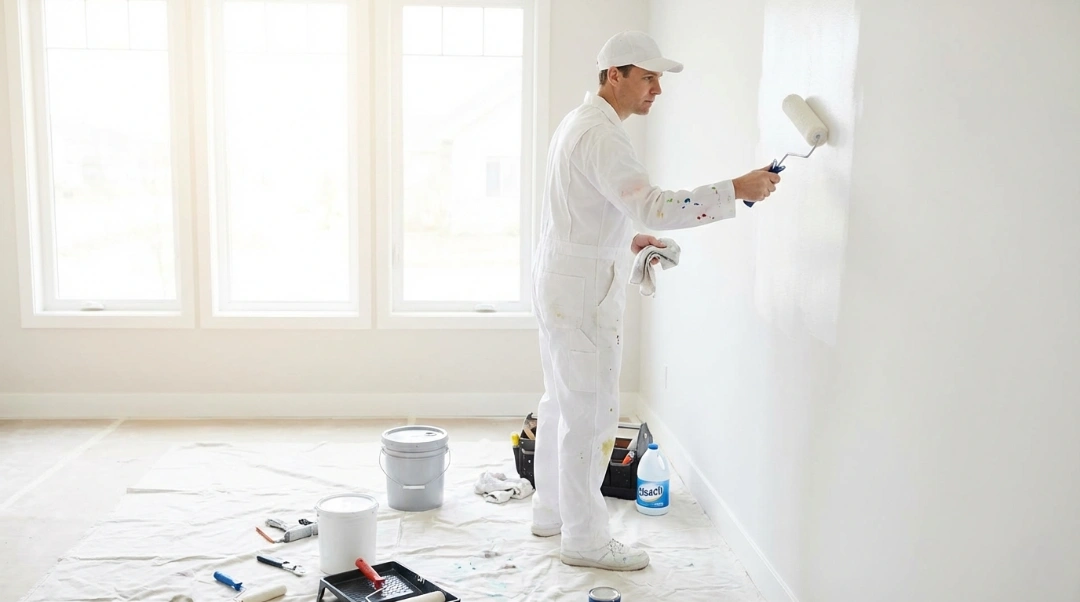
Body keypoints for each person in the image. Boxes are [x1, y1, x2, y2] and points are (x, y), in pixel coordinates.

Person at [529, 30, 781, 571]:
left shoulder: (581, 123)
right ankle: (585, 539)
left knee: (562, 402)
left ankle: (551, 511)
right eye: (647, 78)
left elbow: (592, 211)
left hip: (562, 276)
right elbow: (655, 208)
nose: (657, 91)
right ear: (613, 75)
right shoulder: (601, 135)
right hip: (579, 289)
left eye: (658, 79)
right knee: (591, 414)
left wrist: (624, 239)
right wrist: (736, 188)